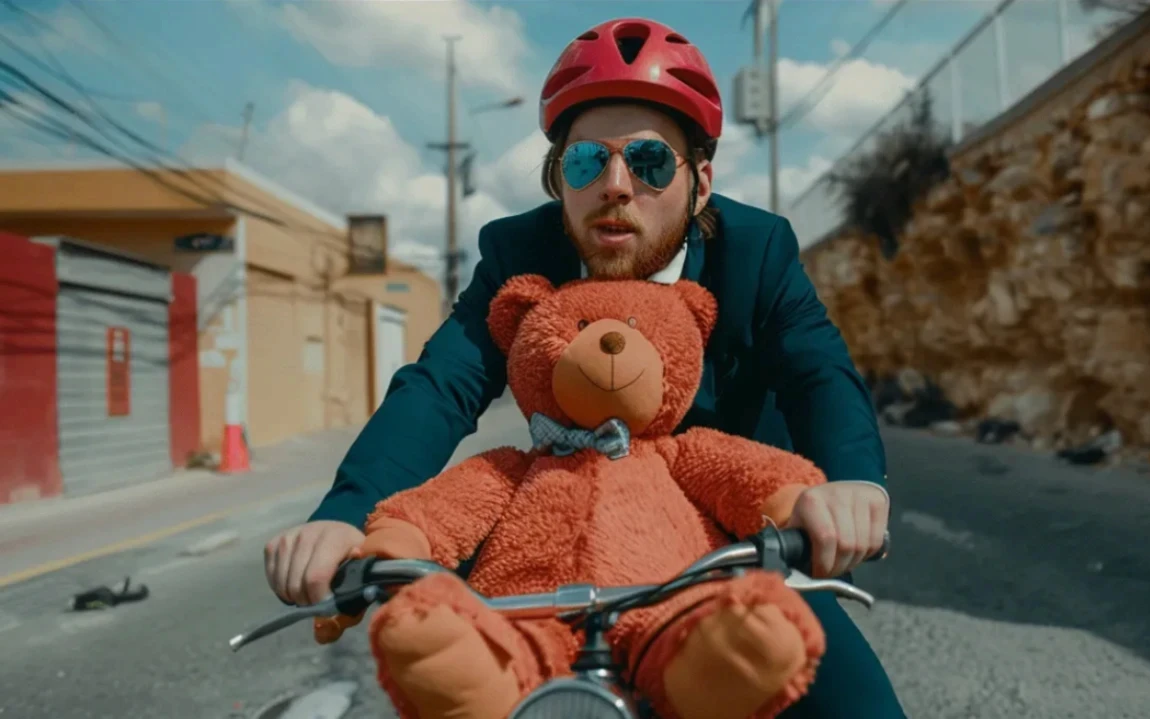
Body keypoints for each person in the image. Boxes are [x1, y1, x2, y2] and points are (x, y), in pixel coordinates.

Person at [264, 17, 905, 718]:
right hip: (559, 544)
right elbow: (441, 383)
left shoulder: (758, 251)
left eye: (651, 161)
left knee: (856, 703)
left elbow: (818, 370)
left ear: (701, 182)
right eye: (585, 162)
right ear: (558, 180)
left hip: (743, 545)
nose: (616, 184)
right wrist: (344, 515)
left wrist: (852, 483)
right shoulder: (518, 253)